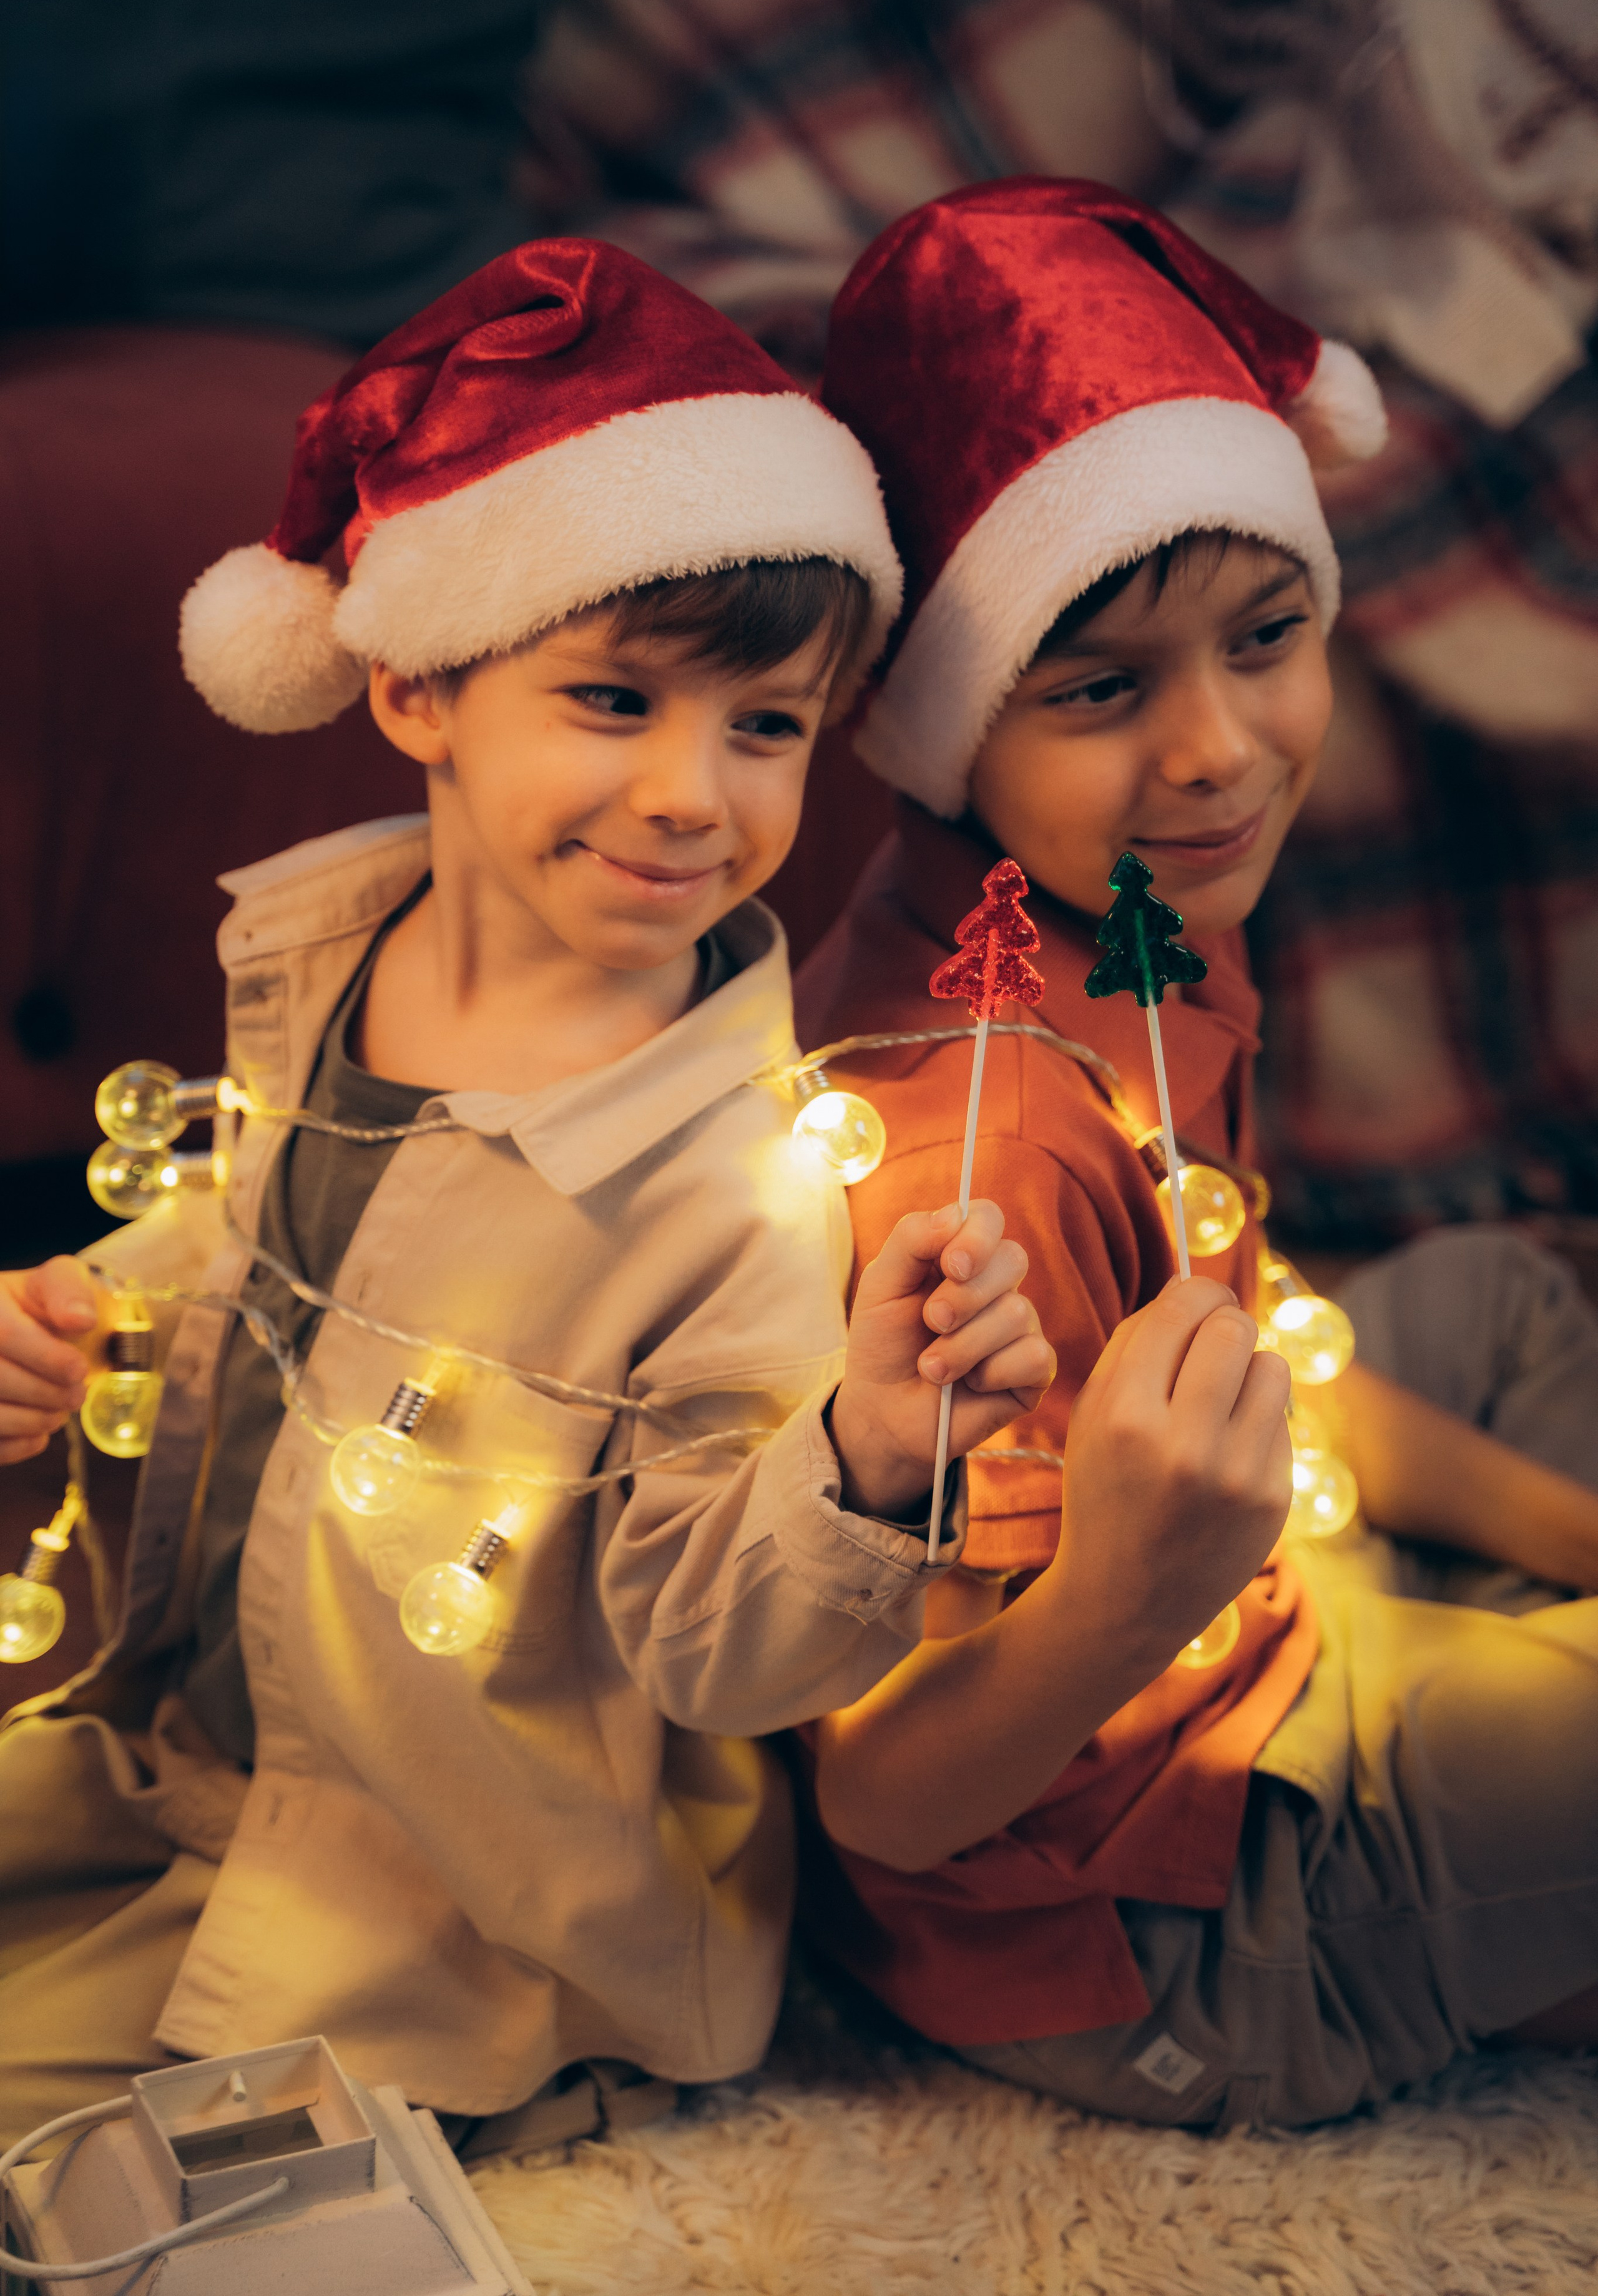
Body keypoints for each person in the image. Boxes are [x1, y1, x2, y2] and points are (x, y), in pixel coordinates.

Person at [0, 238, 1061, 2149]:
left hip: (454, 1875)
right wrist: (80, 1314)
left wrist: (870, 1456)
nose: (693, 793)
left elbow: (721, 1651)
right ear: (418, 688)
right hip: (194, 1724)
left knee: (73, 2151)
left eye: (763, 727)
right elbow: (270, 1225)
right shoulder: (338, 949)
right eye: (616, 702)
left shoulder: (728, 1185)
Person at [793, 178, 1598, 2130]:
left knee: (1498, 1297)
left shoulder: (1123, 904)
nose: (1221, 748)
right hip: (1157, 1921)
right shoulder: (977, 1159)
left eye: (1268, 637)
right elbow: (881, 1797)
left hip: (1257, 1594)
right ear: (949, 717)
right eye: (1101, 687)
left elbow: (1246, 1315)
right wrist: (1131, 1588)